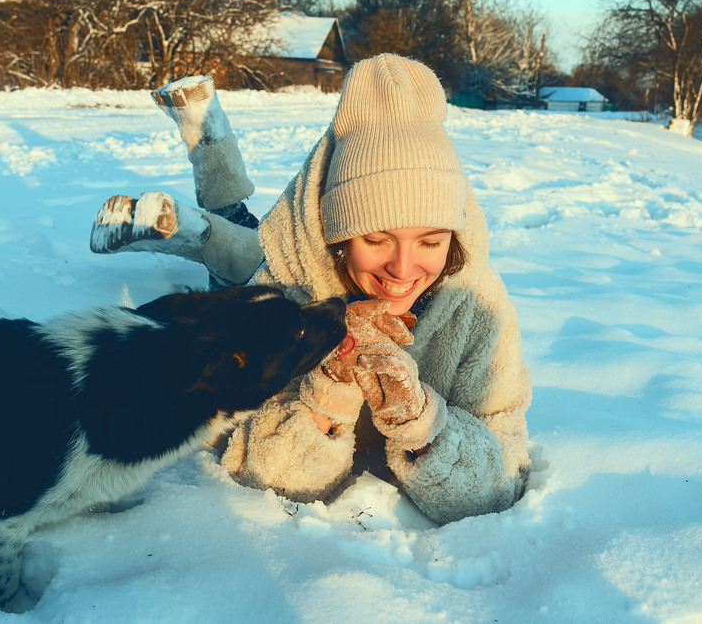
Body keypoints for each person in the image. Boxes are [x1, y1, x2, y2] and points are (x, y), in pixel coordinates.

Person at [89, 54, 531, 524]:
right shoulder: (291, 271)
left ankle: (206, 168)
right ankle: (205, 176)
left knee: (242, 247)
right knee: (240, 271)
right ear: (336, 236)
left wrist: (424, 426)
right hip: (269, 286)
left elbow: (501, 475)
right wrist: (331, 389)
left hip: (262, 274)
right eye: (376, 238)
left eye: (431, 240)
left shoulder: (479, 307)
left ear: (455, 236)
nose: (403, 268)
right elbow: (255, 462)